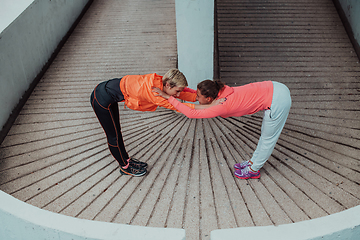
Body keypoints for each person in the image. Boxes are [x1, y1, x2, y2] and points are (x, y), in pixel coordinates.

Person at [153, 80, 291, 179]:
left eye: (198, 97)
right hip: (274, 86)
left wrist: (168, 98)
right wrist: (177, 90)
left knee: (267, 138)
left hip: (278, 100)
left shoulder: (222, 105)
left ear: (208, 99)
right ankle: (252, 162)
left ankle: (253, 170)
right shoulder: (220, 90)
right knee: (264, 135)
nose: (196, 98)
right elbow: (194, 94)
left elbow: (191, 113)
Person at [90, 69, 198, 177]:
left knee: (117, 131)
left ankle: (127, 160)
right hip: (101, 100)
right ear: (168, 85)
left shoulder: (161, 81)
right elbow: (179, 107)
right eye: (177, 91)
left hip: (106, 93)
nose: (178, 94)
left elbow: (183, 93)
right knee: (113, 136)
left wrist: (198, 97)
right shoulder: (154, 92)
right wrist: (206, 108)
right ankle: (125, 167)